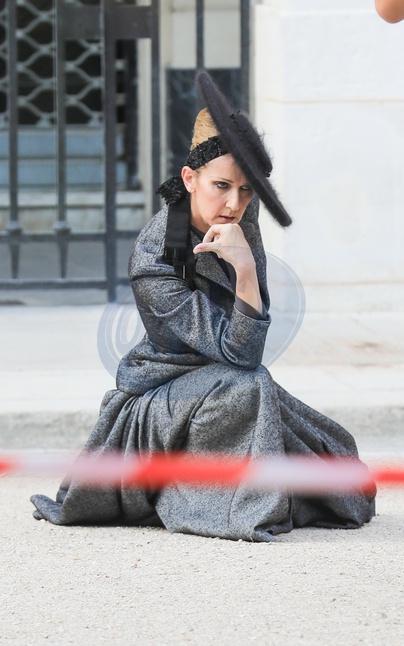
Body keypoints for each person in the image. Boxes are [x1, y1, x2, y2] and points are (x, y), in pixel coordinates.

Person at [31, 72, 376, 542]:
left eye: (247, 190)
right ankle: (198, 498)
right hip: (161, 400)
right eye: (222, 186)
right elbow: (242, 354)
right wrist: (245, 271)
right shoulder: (154, 258)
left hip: (229, 384)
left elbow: (241, 351)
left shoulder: (237, 216)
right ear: (189, 179)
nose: (234, 203)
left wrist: (244, 262)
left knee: (341, 466)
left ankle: (235, 491)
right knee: (249, 386)